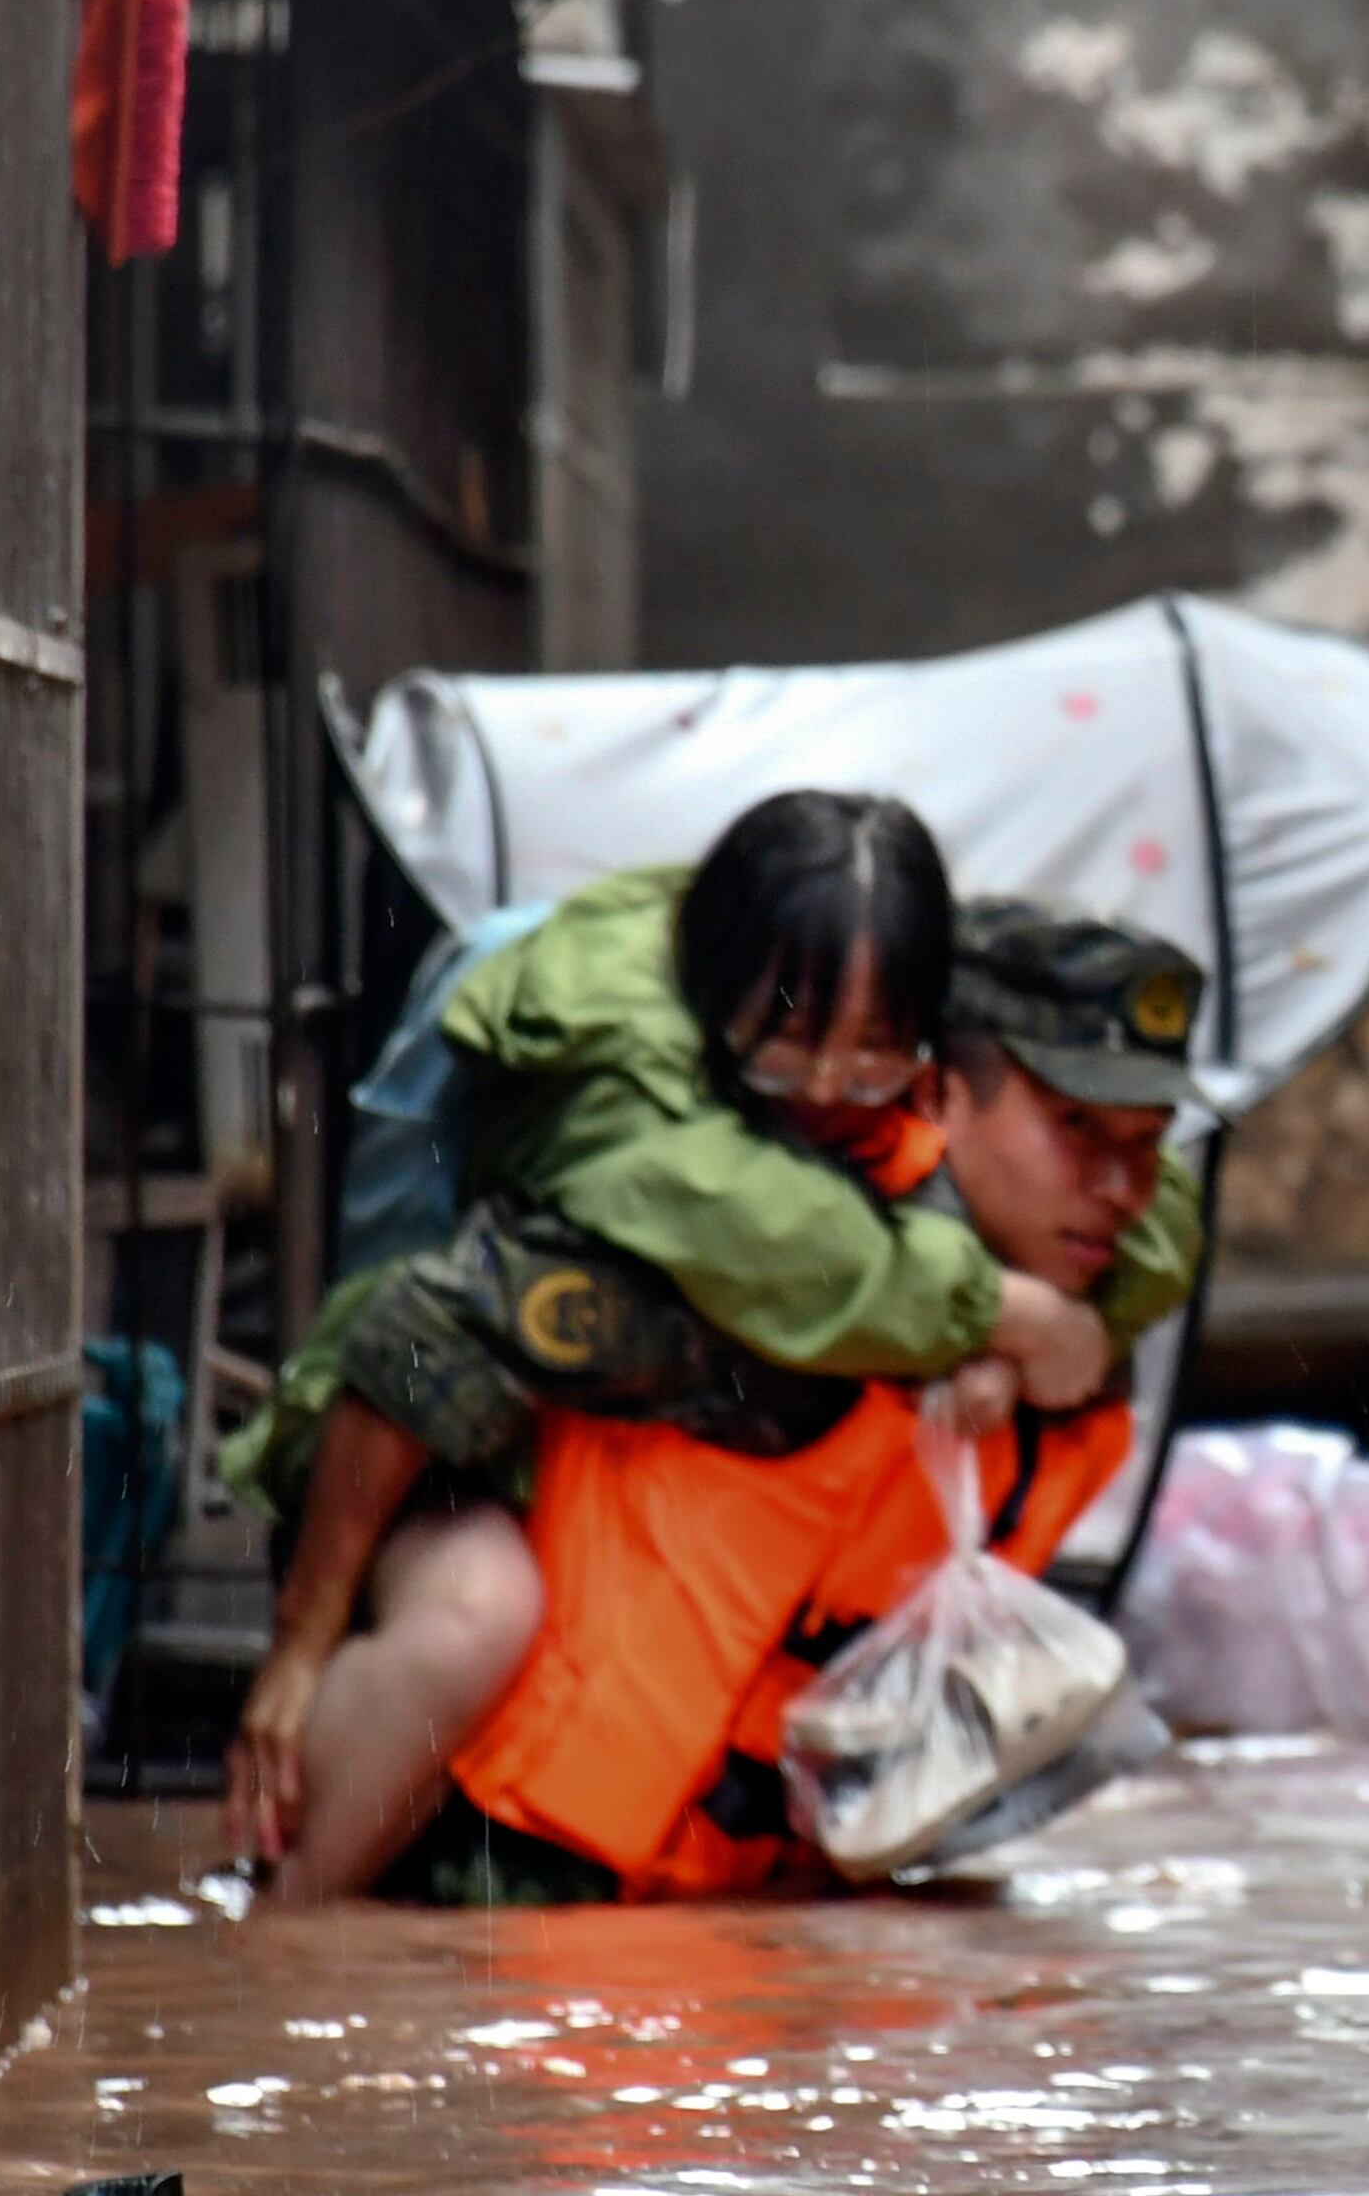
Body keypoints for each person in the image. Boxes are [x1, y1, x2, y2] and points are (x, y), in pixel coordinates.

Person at [219, 798, 1191, 1901]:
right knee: (472, 1615)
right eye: (788, 1046)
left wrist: (1000, 1340)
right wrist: (301, 1646)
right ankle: (281, 1926)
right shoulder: (699, 1213)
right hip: (417, 1472)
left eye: (870, 1055)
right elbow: (408, 1350)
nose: (825, 1092)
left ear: (922, 1057)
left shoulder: (971, 1240)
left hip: (677, 1788)